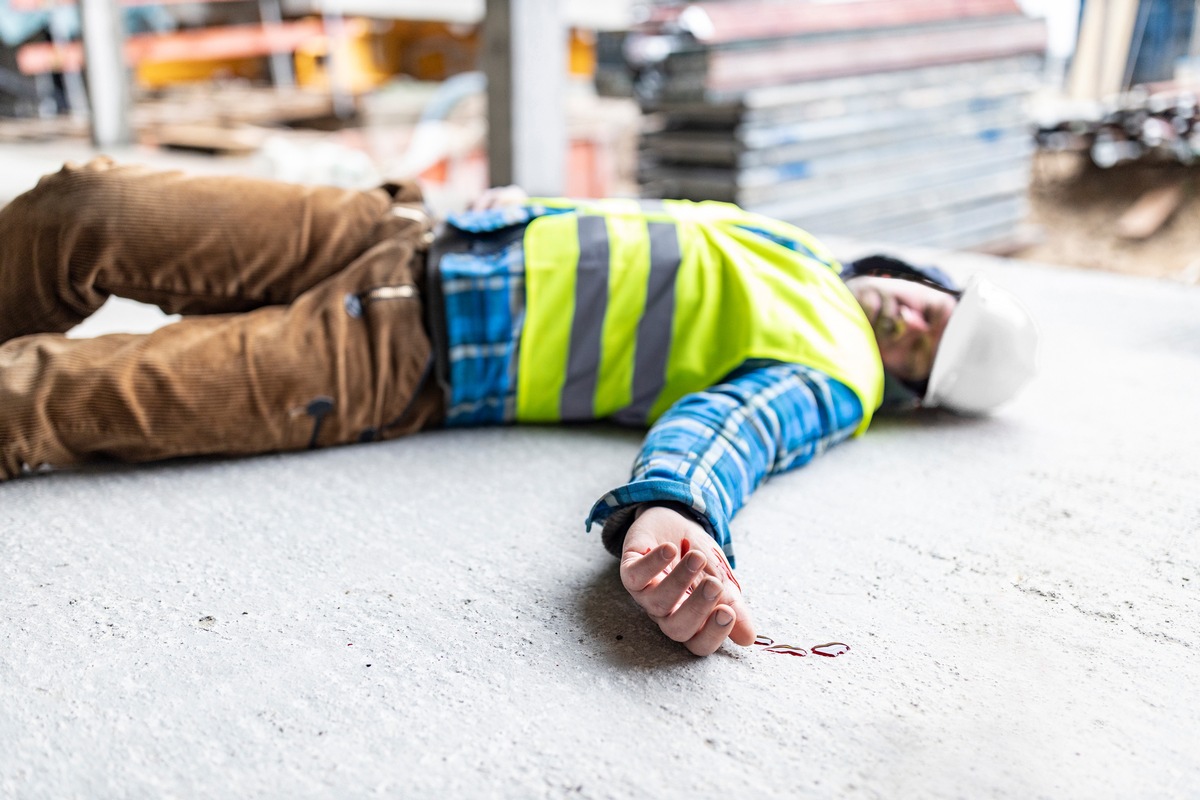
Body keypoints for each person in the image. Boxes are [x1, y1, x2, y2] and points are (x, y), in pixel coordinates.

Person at [0, 157, 1038, 656]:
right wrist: (525, 204)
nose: (910, 316)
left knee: (49, 392)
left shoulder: (837, 374)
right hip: (397, 230)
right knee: (87, 208)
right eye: (935, 304)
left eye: (926, 345)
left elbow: (732, 431)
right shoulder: (809, 253)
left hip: (398, 353)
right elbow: (638, 230)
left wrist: (671, 510)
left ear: (911, 385)